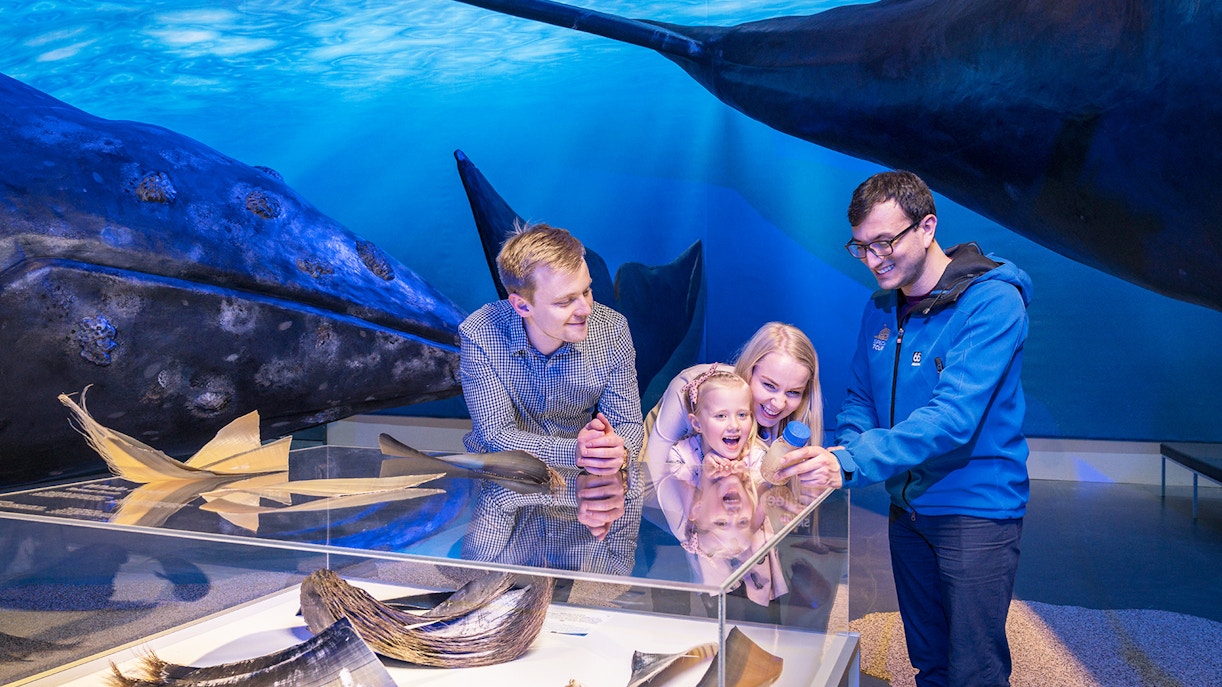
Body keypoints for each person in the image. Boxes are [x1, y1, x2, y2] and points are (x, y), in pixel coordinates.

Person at [803, 170, 1032, 687]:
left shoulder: (994, 302)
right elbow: (861, 399)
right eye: (860, 247)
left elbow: (952, 418)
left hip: (975, 510)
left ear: (927, 227)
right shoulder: (880, 307)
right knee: (929, 661)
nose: (873, 259)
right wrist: (849, 445)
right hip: (906, 509)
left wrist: (849, 462)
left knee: (975, 670)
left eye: (885, 242)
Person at [459, 221, 643, 474]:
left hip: (578, 480)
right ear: (522, 306)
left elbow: (627, 423)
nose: (586, 309)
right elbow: (495, 435)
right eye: (565, 301)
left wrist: (616, 451)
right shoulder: (480, 333)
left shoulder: (612, 329)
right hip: (499, 477)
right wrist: (576, 452)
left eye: (586, 290)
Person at [656, 366, 785, 607]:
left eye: (742, 415)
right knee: (714, 584)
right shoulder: (683, 454)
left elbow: (767, 493)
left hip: (753, 548)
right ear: (697, 423)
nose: (734, 425)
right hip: (707, 546)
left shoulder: (755, 455)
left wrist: (747, 477)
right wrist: (705, 472)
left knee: (758, 571)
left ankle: (762, 607)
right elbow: (673, 486)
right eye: (721, 416)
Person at [643, 322, 824, 475]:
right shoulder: (696, 389)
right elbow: (651, 477)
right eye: (769, 385)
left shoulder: (789, 426)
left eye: (793, 392)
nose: (778, 403)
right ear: (749, 370)